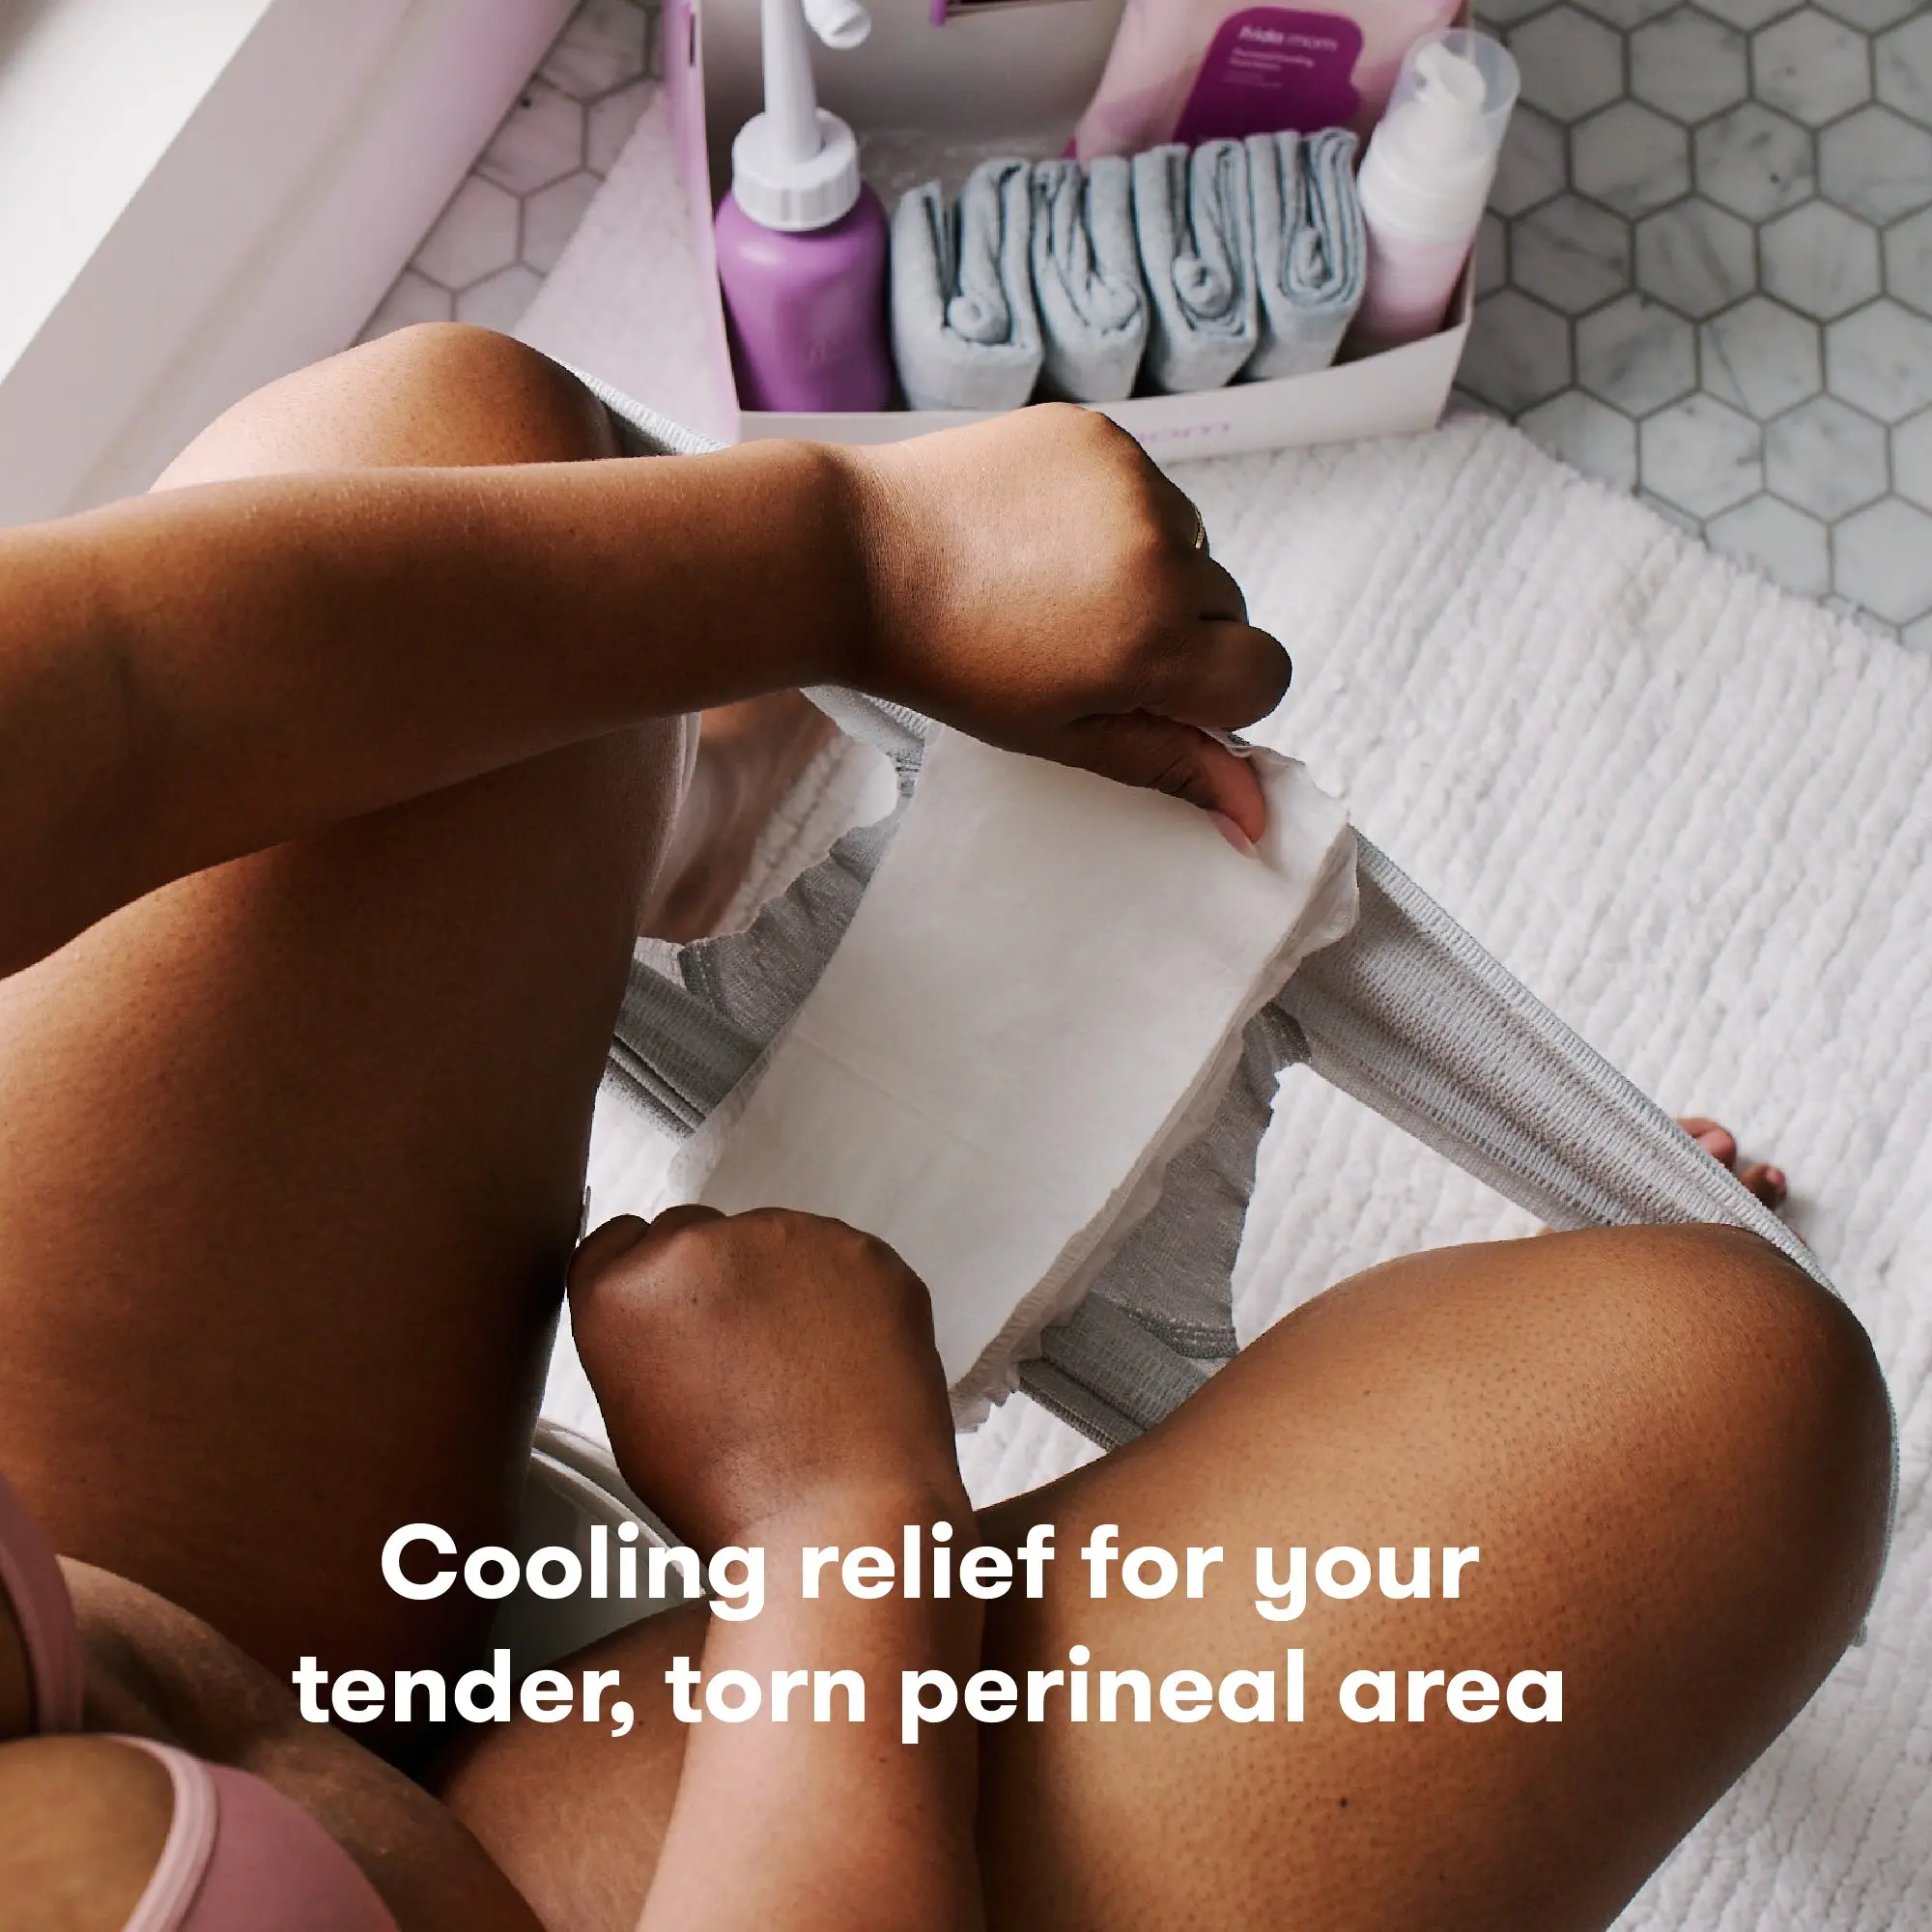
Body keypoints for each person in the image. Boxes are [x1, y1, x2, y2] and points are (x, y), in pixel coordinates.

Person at [0, 324, 1889, 1932]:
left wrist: (854, 554)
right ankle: (614, 812)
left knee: (435, 441)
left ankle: (663, 815)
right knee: (1713, 1401)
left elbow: (106, 698)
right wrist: (834, 1530)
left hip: (148, 1595)